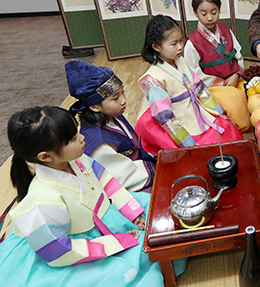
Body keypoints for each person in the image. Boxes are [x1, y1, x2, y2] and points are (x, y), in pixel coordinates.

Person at [0, 106, 186, 285]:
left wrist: (133, 212)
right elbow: (59, 250)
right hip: (82, 244)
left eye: (77, 132)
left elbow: (106, 183)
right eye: (73, 139)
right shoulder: (42, 200)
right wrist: (115, 242)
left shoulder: (78, 159)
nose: (82, 138)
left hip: (108, 213)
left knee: (163, 206)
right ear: (46, 157)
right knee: (139, 260)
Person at [135, 14, 243, 155]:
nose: (180, 47)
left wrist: (219, 112)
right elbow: (165, 117)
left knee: (229, 131)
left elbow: (200, 88)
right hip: (180, 123)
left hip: (198, 112)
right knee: (203, 153)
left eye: (181, 41)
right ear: (156, 46)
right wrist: (187, 143)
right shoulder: (151, 78)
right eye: (174, 44)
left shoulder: (181, 61)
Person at [65, 60, 156, 192]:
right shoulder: (99, 142)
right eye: (115, 98)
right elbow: (124, 176)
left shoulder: (111, 113)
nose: (123, 100)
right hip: (130, 186)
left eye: (122, 92)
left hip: (140, 167)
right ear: (94, 106)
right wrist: (156, 167)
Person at [184, 0, 251, 132]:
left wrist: (236, 75)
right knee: (238, 104)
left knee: (254, 94)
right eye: (204, 13)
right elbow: (193, 74)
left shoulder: (225, 29)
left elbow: (237, 53)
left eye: (214, 12)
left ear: (219, 10)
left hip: (234, 78)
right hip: (212, 87)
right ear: (195, 13)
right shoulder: (192, 43)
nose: (209, 18)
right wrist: (222, 83)